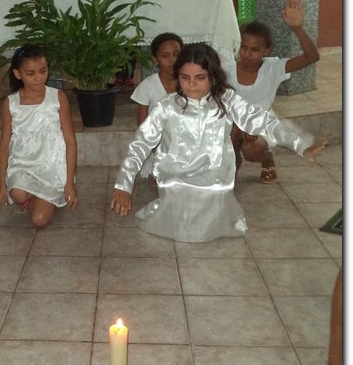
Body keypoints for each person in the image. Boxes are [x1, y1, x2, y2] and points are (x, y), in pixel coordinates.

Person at [110, 42, 327, 243]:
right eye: (185, 78)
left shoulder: (226, 100)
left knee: (210, 219)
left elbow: (263, 120)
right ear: (178, 76)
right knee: (178, 221)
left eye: (199, 78)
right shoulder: (166, 107)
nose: (192, 85)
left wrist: (300, 143)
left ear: (212, 77)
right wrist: (123, 185)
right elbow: (140, 144)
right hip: (175, 175)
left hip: (214, 174)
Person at [224, 0, 320, 183]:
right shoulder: (226, 69)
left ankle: (266, 157)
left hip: (262, 123)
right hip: (233, 123)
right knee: (230, 132)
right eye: (244, 47)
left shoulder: (273, 68)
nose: (247, 54)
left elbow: (311, 57)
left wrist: (298, 28)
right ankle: (230, 166)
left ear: (266, 51)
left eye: (254, 50)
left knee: (252, 151)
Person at [0, 45, 79, 228]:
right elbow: (4, 145)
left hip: (52, 166)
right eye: (30, 73)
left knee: (39, 221)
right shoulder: (10, 103)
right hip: (23, 164)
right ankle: (35, 197)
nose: (39, 77)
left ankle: (46, 199)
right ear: (18, 74)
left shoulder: (58, 97)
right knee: (16, 194)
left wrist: (69, 182)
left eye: (43, 71)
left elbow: (70, 142)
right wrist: (1, 185)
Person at [130, 32, 184, 179]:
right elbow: (142, 124)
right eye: (165, 56)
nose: (172, 60)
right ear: (155, 59)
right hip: (158, 145)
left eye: (176, 54)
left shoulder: (189, 83)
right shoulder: (147, 86)